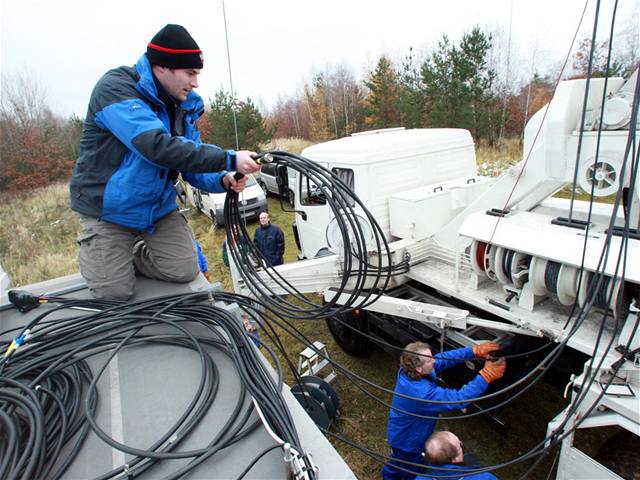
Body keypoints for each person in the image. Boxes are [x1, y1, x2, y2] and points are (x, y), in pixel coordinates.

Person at [69, 24, 260, 300]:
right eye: (190, 73)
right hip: (108, 211)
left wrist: (223, 178)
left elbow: (190, 157)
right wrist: (229, 157)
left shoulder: (184, 105)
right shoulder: (116, 89)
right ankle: (108, 256)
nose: (195, 83)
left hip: (157, 209)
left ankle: (128, 253)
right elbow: (156, 146)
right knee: (115, 292)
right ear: (162, 68)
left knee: (184, 269)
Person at [382, 342, 506, 480]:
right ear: (419, 369)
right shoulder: (421, 394)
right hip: (409, 443)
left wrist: (473, 351)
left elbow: (444, 358)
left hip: (403, 434)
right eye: (430, 360)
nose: (434, 361)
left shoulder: (413, 372)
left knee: (398, 461)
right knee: (410, 470)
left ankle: (388, 476)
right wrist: (486, 375)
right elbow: (458, 399)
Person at [416, 431, 499, 479]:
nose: (461, 443)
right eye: (460, 446)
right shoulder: (483, 477)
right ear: (455, 459)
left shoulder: (420, 478)